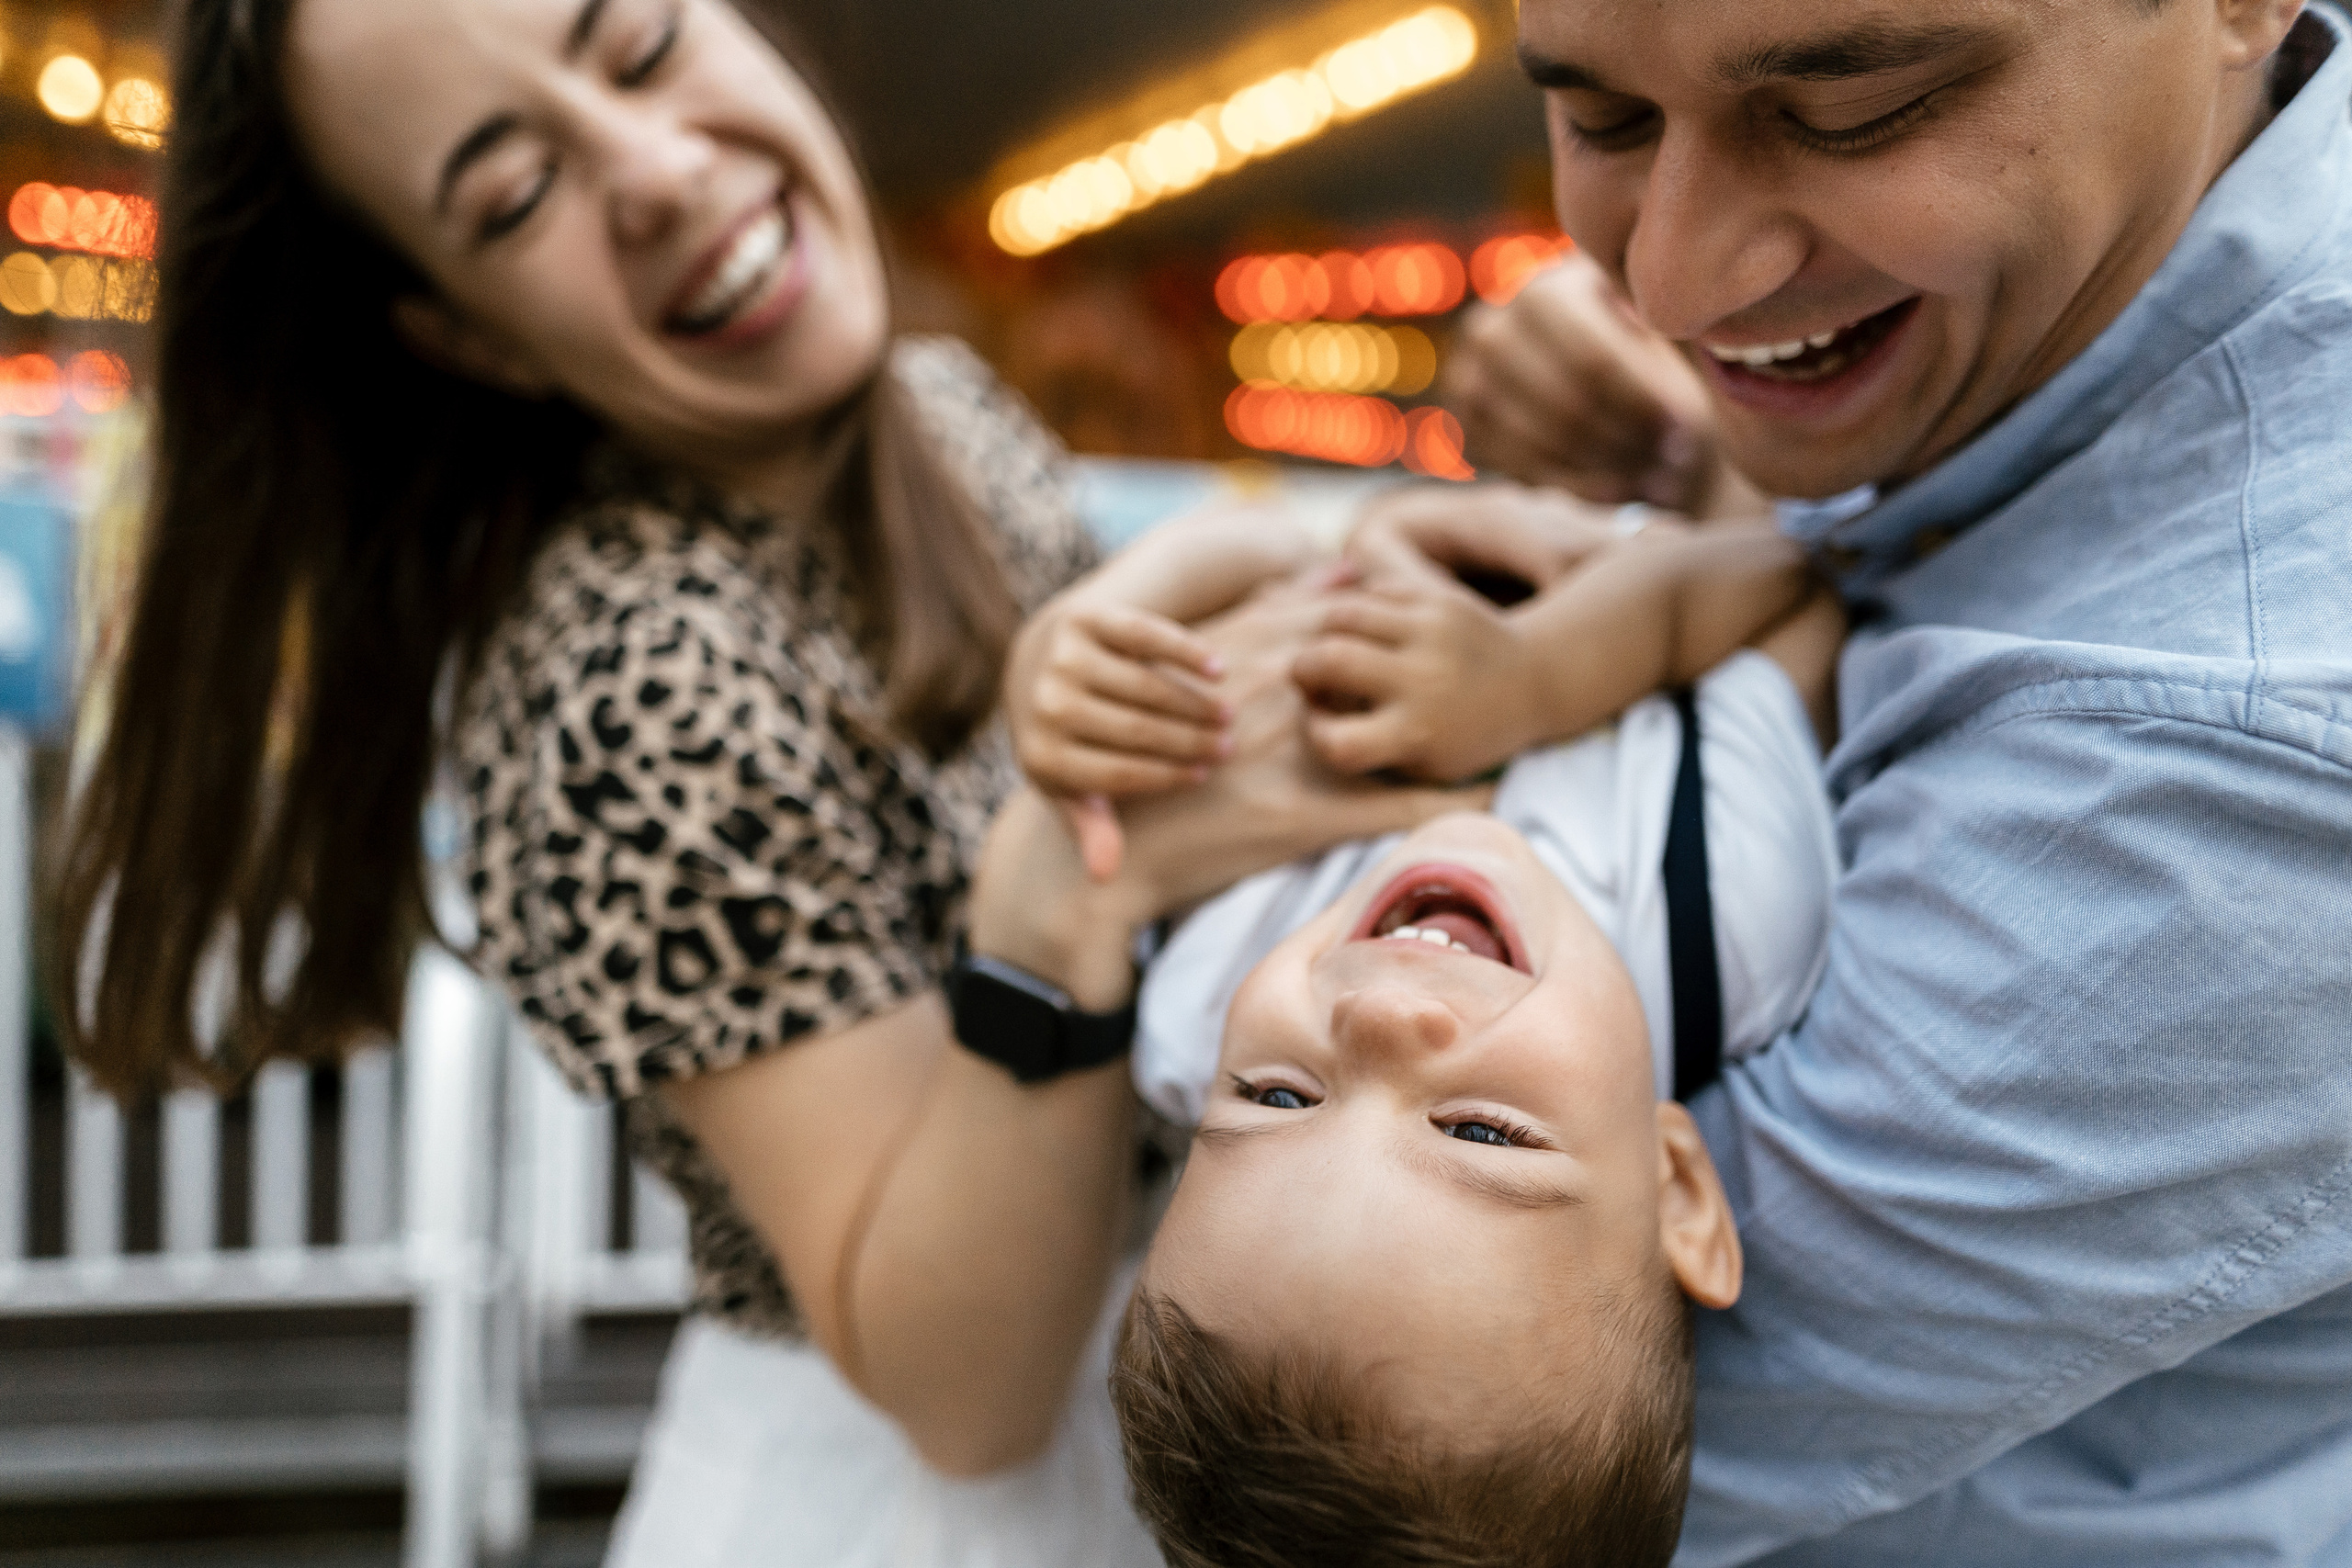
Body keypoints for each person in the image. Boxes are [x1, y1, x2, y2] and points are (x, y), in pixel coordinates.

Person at [51, 2, 1468, 1563]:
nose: (652, 172)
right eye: (513, 193)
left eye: (640, 44)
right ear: (469, 332)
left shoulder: (942, 415)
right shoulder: (619, 679)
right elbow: (963, 1387)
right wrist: (1066, 891)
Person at [1376, 0, 2352, 1561]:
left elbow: (1457, 1448)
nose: (1666, 281)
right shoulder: (2122, 267)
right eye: (1604, 122)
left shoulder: (2230, 753)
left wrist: (1068, 920)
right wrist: (1720, 460)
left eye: (1855, 109)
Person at [1005, 478, 1840, 1564]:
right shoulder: (1723, 912)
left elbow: (1244, 540)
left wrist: (1073, 648)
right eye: (1481, 1134)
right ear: (1676, 1187)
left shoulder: (1203, 989)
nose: (1381, 1016)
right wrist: (1540, 670)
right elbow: (1795, 580)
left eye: (1278, 1096)